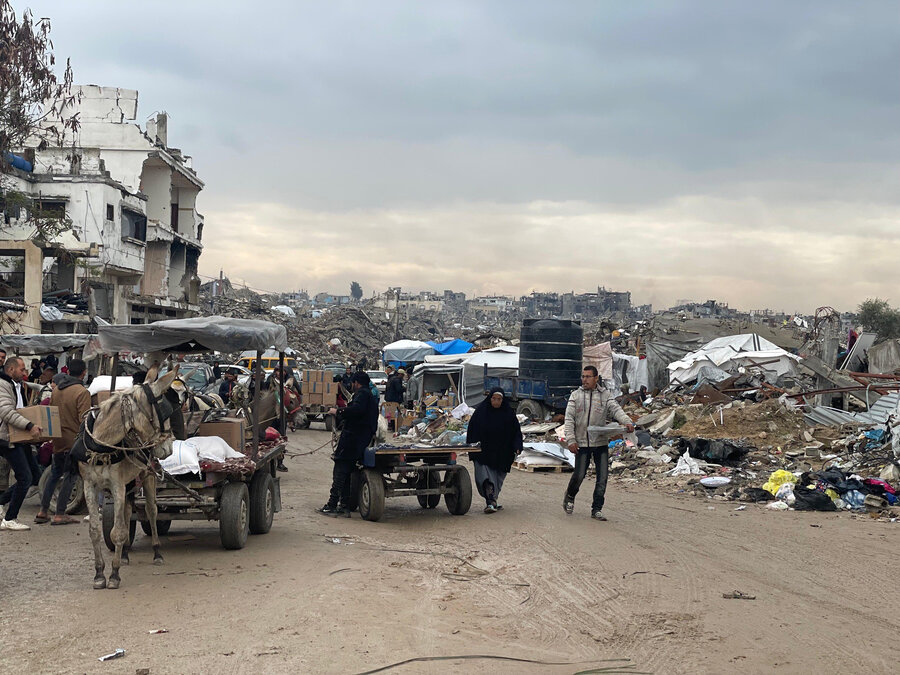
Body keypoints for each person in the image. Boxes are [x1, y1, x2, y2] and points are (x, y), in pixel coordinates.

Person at [562, 365, 634, 521]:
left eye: (588, 377)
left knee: (602, 478)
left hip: (600, 443)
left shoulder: (605, 395)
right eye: (583, 376)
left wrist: (627, 422)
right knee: (579, 475)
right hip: (581, 443)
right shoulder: (576, 396)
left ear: (596, 379)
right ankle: (569, 496)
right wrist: (571, 440)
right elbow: (569, 420)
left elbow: (616, 410)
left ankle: (597, 509)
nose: (584, 380)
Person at [35, 359, 90, 525]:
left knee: (54, 474)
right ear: (84, 372)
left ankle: (43, 511)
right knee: (70, 476)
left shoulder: (57, 390)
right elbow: (84, 420)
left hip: (58, 440)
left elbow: (51, 413)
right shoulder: (82, 392)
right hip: (73, 442)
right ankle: (60, 514)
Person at [318, 371, 379, 517]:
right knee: (345, 473)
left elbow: (356, 410)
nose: (351, 385)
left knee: (340, 470)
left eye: (352, 383)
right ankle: (344, 506)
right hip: (359, 438)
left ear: (356, 383)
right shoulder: (368, 395)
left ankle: (332, 504)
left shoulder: (362, 395)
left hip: (353, 438)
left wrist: (338, 411)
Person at [0, 356, 44, 531]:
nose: (25, 372)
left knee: (34, 476)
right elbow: (6, 412)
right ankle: (10, 518)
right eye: (22, 369)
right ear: (11, 370)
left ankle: (1, 502)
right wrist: (30, 425)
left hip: (21, 436)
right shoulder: (3, 385)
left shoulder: (17, 385)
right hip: (8, 438)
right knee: (24, 477)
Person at [466, 387, 523, 513]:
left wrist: (518, 446)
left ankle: (493, 499)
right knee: (485, 477)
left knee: (497, 478)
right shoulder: (481, 412)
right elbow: (472, 430)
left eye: (499, 399)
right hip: (484, 452)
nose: (496, 402)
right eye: (494, 399)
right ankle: (490, 500)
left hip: (502, 452)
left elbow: (516, 432)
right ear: (489, 399)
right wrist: (472, 447)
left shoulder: (508, 414)